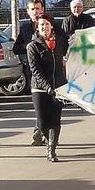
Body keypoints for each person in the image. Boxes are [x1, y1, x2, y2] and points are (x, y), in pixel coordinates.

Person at [27, 15, 68, 161]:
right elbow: (35, 70)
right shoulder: (33, 46)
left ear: (51, 26)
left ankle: (51, 148)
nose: (44, 27)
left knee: (55, 120)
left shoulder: (60, 42)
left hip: (58, 87)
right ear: (37, 28)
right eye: (41, 25)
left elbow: (74, 52)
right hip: (40, 88)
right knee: (43, 122)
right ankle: (45, 137)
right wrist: (47, 86)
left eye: (47, 24)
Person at [12, 0, 46, 143]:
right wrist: (27, 47)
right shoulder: (25, 28)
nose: (36, 12)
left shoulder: (49, 24)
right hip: (33, 72)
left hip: (48, 69)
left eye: (38, 8)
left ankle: (40, 130)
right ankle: (40, 130)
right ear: (28, 12)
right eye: (32, 9)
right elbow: (16, 48)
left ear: (42, 9)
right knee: (39, 104)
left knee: (48, 104)